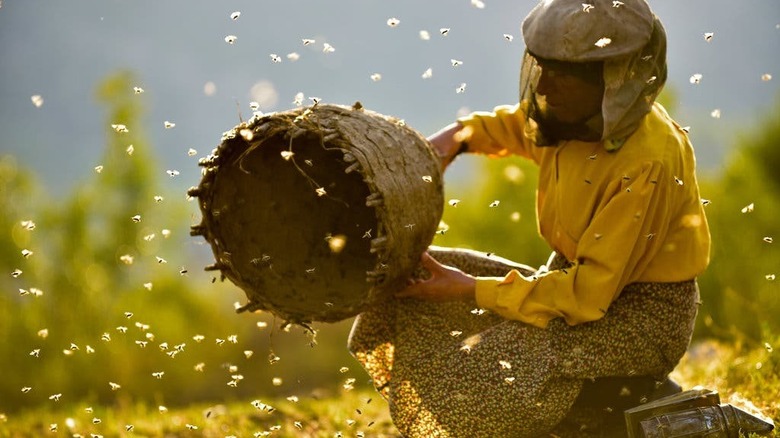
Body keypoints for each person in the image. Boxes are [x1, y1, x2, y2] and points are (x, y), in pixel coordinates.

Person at [349, 0, 712, 436]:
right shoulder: (572, 117)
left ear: (612, 78)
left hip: (638, 320)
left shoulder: (647, 161)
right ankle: (613, 404)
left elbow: (586, 296)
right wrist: (450, 142)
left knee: (481, 373)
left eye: (561, 76)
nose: (544, 88)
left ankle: (643, 414)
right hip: (572, 290)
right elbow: (510, 126)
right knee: (405, 281)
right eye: (542, 69)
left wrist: (468, 290)